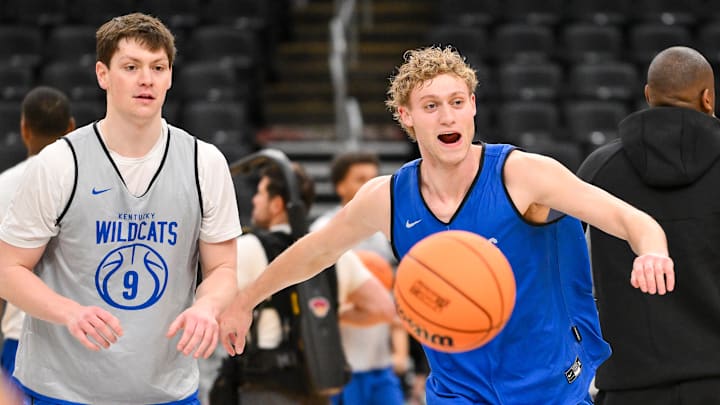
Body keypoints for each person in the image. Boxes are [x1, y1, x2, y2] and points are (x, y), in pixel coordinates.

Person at [218, 46, 674, 404]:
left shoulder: (524, 175)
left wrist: (651, 247)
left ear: (473, 106)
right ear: (406, 117)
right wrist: (246, 299)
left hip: (547, 380)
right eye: (431, 105)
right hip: (458, 388)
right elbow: (315, 251)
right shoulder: (388, 197)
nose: (448, 116)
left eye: (457, 102)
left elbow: (629, 218)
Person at [0, 13, 241, 404]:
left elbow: (224, 268)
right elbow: (8, 270)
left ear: (169, 77)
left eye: (158, 67)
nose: (146, 79)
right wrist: (68, 312)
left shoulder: (204, 162)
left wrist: (207, 305)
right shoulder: (60, 163)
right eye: (131, 67)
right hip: (64, 390)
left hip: (167, 389)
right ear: (103, 74)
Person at [577, 46, 720, 405]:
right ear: (708, 98)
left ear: (648, 95)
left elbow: (573, 275)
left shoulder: (598, 170)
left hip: (630, 386)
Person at [209, 162, 395, 404]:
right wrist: (325, 316)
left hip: (265, 383)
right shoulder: (339, 255)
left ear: (276, 205)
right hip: (316, 385)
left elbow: (212, 302)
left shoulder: (249, 248)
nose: (254, 200)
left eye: (261, 193)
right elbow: (383, 309)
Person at [310, 151, 408, 405]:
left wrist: (401, 352)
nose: (370, 185)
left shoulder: (387, 230)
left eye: (374, 179)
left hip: (380, 363)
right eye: (360, 179)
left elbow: (395, 295)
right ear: (340, 185)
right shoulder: (323, 230)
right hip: (340, 367)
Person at [0, 86, 76, 381]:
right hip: (79, 337)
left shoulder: (3, 186)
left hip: (20, 338)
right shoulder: (90, 183)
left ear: (24, 128)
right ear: (71, 127)